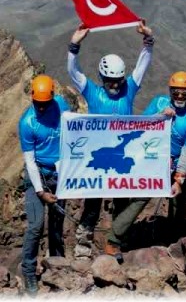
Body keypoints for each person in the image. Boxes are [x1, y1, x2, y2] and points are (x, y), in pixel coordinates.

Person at [65, 20, 153, 259]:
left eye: (118, 81)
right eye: (109, 81)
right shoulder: (92, 91)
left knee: (122, 204)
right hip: (99, 159)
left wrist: (148, 40)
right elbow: (74, 72)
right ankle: (83, 248)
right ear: (101, 78)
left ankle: (116, 245)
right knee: (92, 208)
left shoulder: (129, 89)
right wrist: (74, 45)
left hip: (122, 158)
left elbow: (142, 66)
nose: (114, 86)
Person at [106, 71, 186, 252]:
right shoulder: (159, 102)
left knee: (178, 205)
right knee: (140, 198)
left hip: (176, 164)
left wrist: (178, 179)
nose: (180, 96)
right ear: (170, 91)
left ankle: (173, 242)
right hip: (154, 160)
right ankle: (114, 239)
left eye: (184, 93)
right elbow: (141, 125)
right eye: (176, 92)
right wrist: (160, 116)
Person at [18, 74, 69, 295]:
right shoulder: (27, 123)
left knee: (57, 224)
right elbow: (29, 160)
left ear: (52, 98)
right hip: (37, 175)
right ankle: (29, 272)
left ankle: (57, 265)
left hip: (60, 175)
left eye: (44, 104)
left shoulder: (61, 107)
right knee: (36, 225)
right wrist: (40, 191)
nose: (40, 108)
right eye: (37, 104)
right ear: (32, 99)